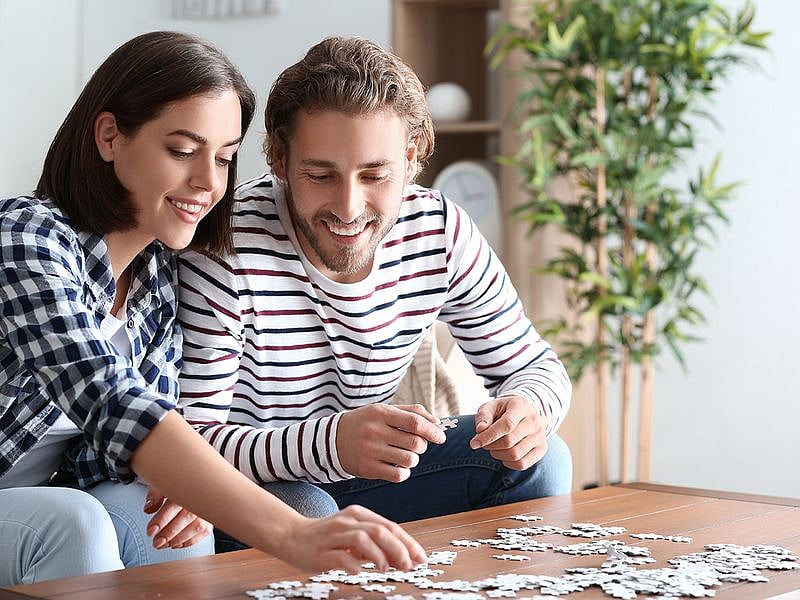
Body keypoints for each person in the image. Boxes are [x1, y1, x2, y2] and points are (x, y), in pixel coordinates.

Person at [0, 31, 426, 587]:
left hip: (50, 497)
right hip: (36, 509)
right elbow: (113, 403)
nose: (207, 183)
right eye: (182, 151)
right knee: (72, 523)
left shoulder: (157, 283)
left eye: (223, 159)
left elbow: (125, 450)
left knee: (176, 519)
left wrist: (184, 486)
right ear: (109, 136)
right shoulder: (25, 239)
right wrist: (292, 534)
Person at [176, 35, 573, 552]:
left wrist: (528, 408)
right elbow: (187, 445)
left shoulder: (439, 230)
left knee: (545, 459)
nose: (348, 207)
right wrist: (332, 444)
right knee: (313, 511)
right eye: (320, 175)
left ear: (411, 160)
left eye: (375, 175)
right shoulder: (223, 246)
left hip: (363, 481)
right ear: (278, 158)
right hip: (247, 493)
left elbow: (537, 365)